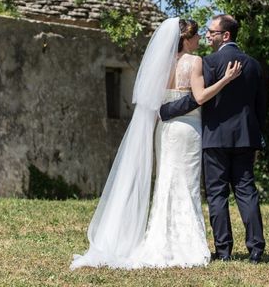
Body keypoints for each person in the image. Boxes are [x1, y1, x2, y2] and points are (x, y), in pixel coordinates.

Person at [70, 18, 241, 269]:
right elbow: (200, 96)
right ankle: (187, 243)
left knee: (165, 181)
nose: (199, 41)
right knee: (186, 184)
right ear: (187, 38)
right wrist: (226, 79)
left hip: (164, 129)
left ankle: (159, 239)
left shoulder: (161, 65)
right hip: (187, 130)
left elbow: (155, 102)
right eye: (196, 37)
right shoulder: (195, 62)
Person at [160, 14, 266, 264]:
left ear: (225, 35)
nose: (207, 35)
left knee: (217, 194)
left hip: (214, 137)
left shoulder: (208, 62)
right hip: (245, 138)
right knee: (246, 191)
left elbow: (197, 98)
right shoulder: (253, 65)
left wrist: (167, 110)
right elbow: (261, 107)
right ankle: (256, 248)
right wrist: (258, 138)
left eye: (212, 32)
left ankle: (224, 250)